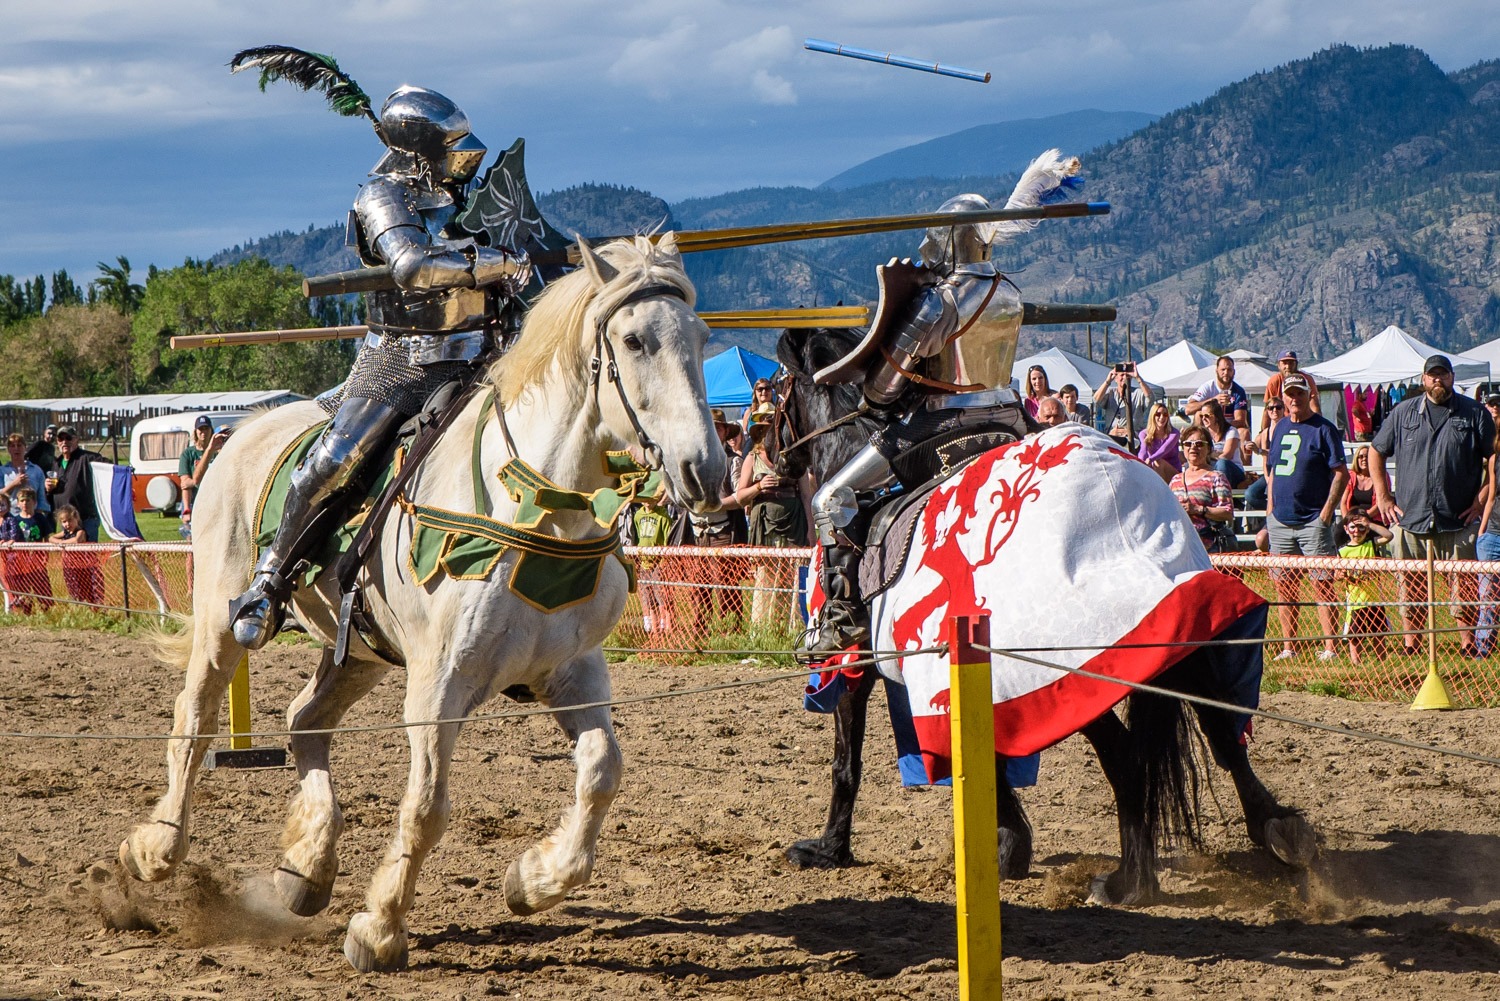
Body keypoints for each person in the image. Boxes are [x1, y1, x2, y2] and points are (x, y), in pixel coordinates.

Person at [229, 84, 533, 649]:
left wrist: (513, 270)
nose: (465, 153)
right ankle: (269, 580)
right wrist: (490, 262)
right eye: (452, 143)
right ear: (420, 149)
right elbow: (414, 266)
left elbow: (497, 249)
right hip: (401, 361)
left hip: (478, 355)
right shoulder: (382, 196)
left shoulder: (461, 196)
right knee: (336, 458)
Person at [798, 151, 1081, 657]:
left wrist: (878, 390)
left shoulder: (940, 301)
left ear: (950, 238)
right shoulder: (1008, 293)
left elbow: (882, 389)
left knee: (829, 500)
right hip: (1010, 420)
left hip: (941, 426)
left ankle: (841, 619)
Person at [1369, 354, 1495, 657]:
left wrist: (1480, 502)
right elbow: (1376, 451)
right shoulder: (1403, 413)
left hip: (1457, 517)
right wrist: (1383, 496)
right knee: (1409, 586)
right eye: (1432, 375)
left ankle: (1466, 642)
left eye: (1443, 374)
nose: (1437, 380)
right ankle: (1412, 644)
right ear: (1423, 379)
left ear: (1452, 377)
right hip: (1411, 516)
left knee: (1462, 585)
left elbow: (1494, 459)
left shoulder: (1474, 413)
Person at [1265, 373, 1348, 662]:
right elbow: (1273, 470)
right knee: (1284, 585)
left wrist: (1326, 514)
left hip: (1313, 519)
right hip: (1281, 520)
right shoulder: (1280, 427)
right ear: (1284, 397)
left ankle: (1330, 648)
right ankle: (1289, 646)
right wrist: (1269, 511)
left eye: (1299, 393)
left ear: (1308, 395)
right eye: (1289, 394)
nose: (1294, 399)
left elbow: (1341, 472)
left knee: (1322, 584)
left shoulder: (1323, 429)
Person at [739, 412, 812, 548]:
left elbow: (806, 496)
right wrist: (758, 487)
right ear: (760, 432)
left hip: (794, 524)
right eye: (767, 430)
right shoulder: (752, 458)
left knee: (794, 569)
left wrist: (811, 533)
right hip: (763, 526)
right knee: (763, 569)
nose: (771, 434)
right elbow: (740, 498)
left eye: (774, 429)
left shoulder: (795, 458)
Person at [1336, 506, 1392, 665]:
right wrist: (1339, 576)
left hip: (1375, 600)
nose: (1357, 531)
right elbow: (1337, 574)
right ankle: (1356, 662)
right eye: (1353, 527)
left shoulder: (1371, 544)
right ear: (1346, 529)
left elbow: (1388, 535)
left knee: (1378, 634)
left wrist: (1370, 524)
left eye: (1361, 527)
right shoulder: (1343, 551)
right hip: (1355, 602)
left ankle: (1382, 662)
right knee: (1355, 636)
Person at [1170, 426, 1235, 553]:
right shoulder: (1175, 480)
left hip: (1207, 550)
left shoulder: (1216, 477)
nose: (1193, 447)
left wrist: (1198, 510)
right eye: (1188, 444)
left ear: (1209, 449)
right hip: (1179, 549)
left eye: (1199, 444)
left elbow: (1227, 513)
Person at [1, 487, 54, 613]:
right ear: (18, 503)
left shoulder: (40, 518)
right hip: (20, 561)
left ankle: (47, 612)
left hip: (37, 559)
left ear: (34, 502)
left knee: (42, 588)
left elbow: (47, 536)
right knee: (23, 590)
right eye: (22, 501)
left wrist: (45, 554)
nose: (25, 503)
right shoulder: (15, 520)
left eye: (28, 500)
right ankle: (25, 612)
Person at [51, 426, 106, 542]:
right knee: (69, 558)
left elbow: (107, 468)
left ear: (76, 440)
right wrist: (48, 488)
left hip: (86, 517)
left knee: (87, 556)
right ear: (57, 442)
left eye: (68, 438)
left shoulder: (88, 458)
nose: (65, 442)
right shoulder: (56, 463)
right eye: (61, 439)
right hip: (66, 519)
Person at [178, 416, 227, 538]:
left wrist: (193, 481)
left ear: (211, 430)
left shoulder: (219, 453)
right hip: (194, 499)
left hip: (215, 498)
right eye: (200, 429)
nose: (203, 432)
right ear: (195, 432)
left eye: (206, 428)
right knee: (192, 538)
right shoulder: (188, 454)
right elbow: (186, 484)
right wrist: (187, 509)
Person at [52, 503, 105, 610]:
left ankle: (94, 607)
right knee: (74, 588)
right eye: (64, 522)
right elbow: (51, 538)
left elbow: (76, 541)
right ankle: (80, 607)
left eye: (70, 520)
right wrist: (61, 541)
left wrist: (63, 542)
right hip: (70, 566)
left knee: (87, 588)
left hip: (84, 566)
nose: (67, 524)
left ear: (76, 519)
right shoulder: (65, 532)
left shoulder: (80, 532)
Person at [1093, 365, 1157, 448]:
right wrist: (1108, 381)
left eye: (1127, 375)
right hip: (1113, 437)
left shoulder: (1138, 393)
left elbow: (1151, 398)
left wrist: (1138, 378)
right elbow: (1096, 399)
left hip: (1133, 440)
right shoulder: (1111, 393)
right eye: (1122, 375)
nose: (1124, 378)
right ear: (1116, 378)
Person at [1184, 355, 1249, 432]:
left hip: (1229, 429)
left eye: (1229, 370)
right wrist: (1214, 400)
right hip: (1208, 429)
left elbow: (1240, 421)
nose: (1226, 373)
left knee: (1244, 432)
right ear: (1216, 371)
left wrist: (1221, 428)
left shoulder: (1239, 391)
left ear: (1234, 372)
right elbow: (1188, 410)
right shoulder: (1207, 387)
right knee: (1198, 414)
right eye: (1223, 369)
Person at [1261, 350, 1320, 432]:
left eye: (1291, 363)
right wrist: (1263, 432)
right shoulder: (1274, 381)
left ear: (1296, 365)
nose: (1288, 366)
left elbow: (1315, 406)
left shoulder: (1305, 379)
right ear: (1278, 365)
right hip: (1281, 424)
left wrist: (1317, 428)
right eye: (1284, 363)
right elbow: (1267, 409)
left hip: (1304, 423)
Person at [1196, 398, 1245, 486]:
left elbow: (1227, 455)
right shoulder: (1204, 434)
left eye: (1207, 416)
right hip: (1212, 469)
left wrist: (1209, 455)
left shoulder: (1231, 431)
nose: (1204, 419)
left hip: (1233, 471)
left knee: (1222, 463)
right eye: (1201, 416)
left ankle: (1221, 493)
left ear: (1216, 416)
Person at [0, 432, 51, 515]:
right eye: (13, 446)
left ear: (25, 448)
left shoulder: (36, 470)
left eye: (19, 445)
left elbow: (41, 498)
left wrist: (38, 518)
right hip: (10, 516)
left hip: (31, 517)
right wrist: (13, 484)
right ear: (9, 449)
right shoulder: (2, 471)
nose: (16, 448)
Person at [1137, 403, 1181, 482]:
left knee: (1158, 461)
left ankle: (1160, 492)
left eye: (1165, 414)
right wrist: (1141, 463)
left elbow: (1164, 450)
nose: (1162, 417)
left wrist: (1150, 459)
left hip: (1174, 474)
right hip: (1154, 471)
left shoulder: (1174, 433)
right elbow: (1143, 451)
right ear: (1152, 416)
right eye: (1158, 414)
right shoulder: (1144, 434)